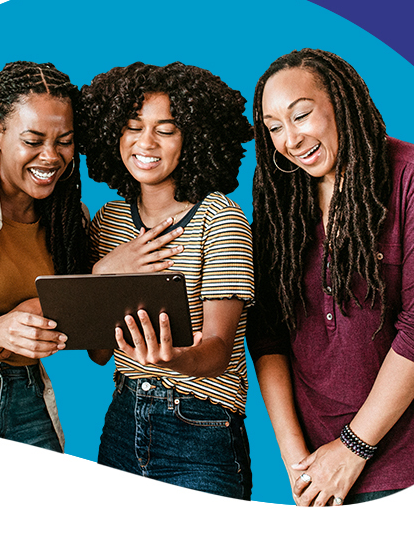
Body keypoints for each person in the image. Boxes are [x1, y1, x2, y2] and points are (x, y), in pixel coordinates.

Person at [247, 48, 414, 506]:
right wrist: (297, 462)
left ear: (340, 104)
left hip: (407, 465)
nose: (290, 138)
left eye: (301, 115)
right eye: (274, 128)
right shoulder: (280, 204)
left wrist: (353, 448)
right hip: (315, 473)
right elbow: (267, 335)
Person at [78, 61, 254, 499]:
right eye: (133, 127)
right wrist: (104, 271)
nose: (145, 142)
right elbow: (100, 353)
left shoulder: (221, 218)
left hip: (200, 427)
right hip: (122, 418)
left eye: (166, 129)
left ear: (192, 137)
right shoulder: (108, 222)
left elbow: (218, 350)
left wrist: (170, 359)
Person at [0, 61, 89, 451]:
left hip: (27, 394)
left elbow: (93, 344)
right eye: (33, 139)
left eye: (64, 140)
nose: (51, 156)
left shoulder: (69, 217)